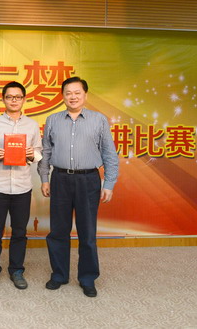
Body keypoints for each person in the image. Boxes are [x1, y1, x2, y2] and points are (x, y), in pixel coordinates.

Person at [39, 76, 119, 298]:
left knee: (87, 232)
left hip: (88, 180)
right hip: (60, 179)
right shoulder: (53, 120)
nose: (72, 97)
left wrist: (109, 183)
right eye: (68, 93)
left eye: (77, 93)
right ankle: (59, 275)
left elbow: (109, 153)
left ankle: (87, 278)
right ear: (63, 96)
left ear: (85, 95)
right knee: (58, 231)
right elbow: (46, 151)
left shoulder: (99, 120)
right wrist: (44, 178)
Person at [0, 81, 42, 290]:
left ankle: (17, 270)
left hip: (23, 187)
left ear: (24, 99)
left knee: (20, 232)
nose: (14, 100)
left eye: (18, 97)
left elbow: (40, 151)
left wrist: (33, 154)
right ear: (3, 99)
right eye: (9, 97)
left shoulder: (32, 125)